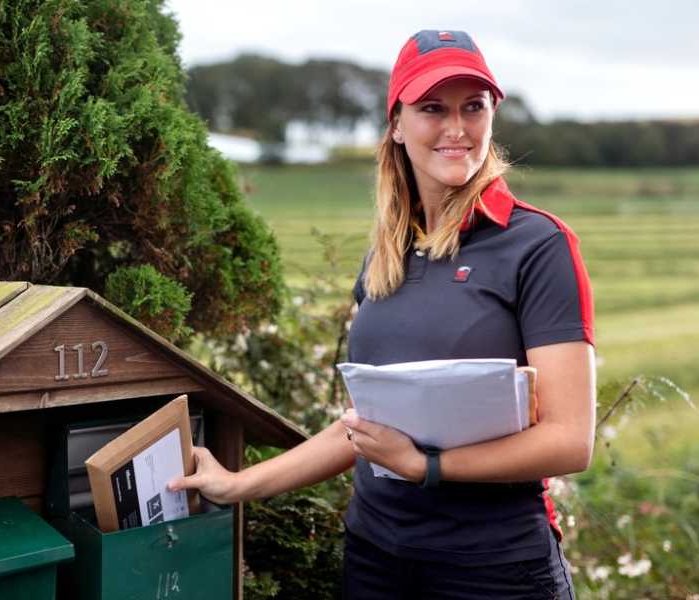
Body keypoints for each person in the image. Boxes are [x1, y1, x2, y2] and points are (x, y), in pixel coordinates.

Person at [169, 29, 595, 599]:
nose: (456, 128)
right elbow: (365, 429)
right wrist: (239, 484)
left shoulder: (537, 246)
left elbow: (570, 441)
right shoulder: (386, 257)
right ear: (396, 123)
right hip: (376, 560)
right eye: (432, 109)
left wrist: (428, 467)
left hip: (495, 571)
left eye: (474, 106)